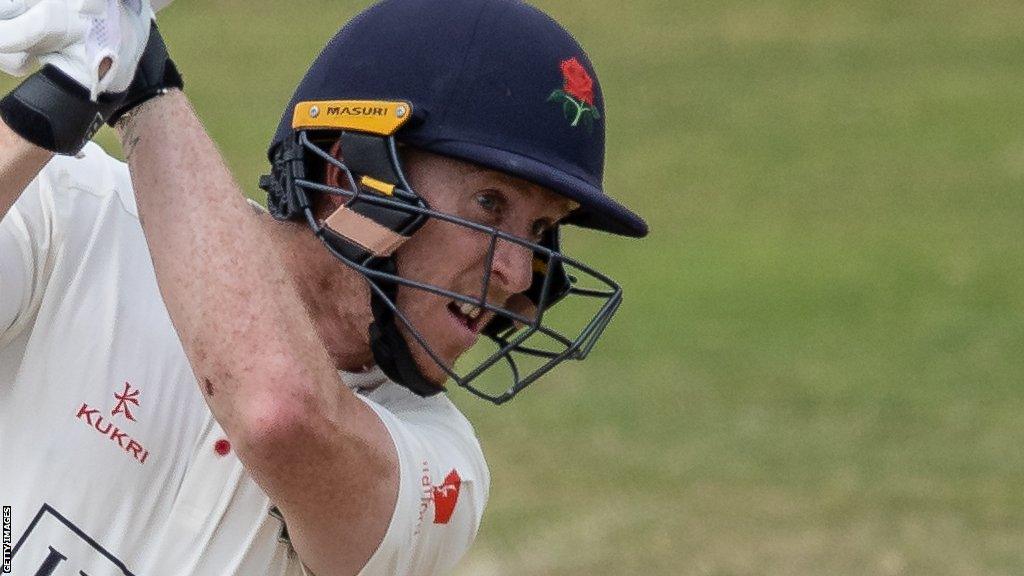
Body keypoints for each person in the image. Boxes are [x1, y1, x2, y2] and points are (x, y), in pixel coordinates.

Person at [0, 0, 648, 574]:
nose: (517, 273)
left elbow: (279, 412)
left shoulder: (442, 468)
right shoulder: (75, 215)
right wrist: (73, 80)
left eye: (540, 229)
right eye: (489, 204)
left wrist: (141, 86)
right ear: (349, 173)